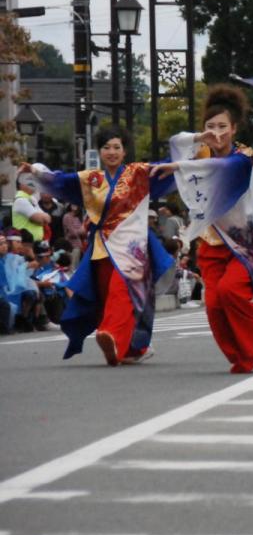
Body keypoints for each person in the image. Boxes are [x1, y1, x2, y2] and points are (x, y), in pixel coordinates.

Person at [153, 84, 253, 373]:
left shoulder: (243, 157)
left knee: (232, 291)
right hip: (211, 242)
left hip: (245, 243)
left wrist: (180, 166)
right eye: (210, 126)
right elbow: (176, 141)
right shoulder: (199, 153)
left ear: (233, 129)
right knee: (215, 304)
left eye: (222, 126)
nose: (216, 132)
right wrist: (196, 139)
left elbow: (222, 170)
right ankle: (243, 357)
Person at [23, 124, 174, 364]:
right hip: (102, 247)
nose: (112, 152)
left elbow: (168, 167)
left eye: (117, 147)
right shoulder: (91, 179)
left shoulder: (138, 173)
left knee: (122, 292)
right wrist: (36, 171)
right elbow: (62, 181)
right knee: (106, 296)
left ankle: (110, 334)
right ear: (99, 151)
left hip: (133, 248)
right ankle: (130, 348)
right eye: (106, 147)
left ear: (125, 151)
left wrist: (193, 151)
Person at [0, 232, 39, 333]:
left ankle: (23, 319)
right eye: (17, 242)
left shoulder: (14, 257)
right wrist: (27, 265)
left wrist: (29, 263)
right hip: (4, 288)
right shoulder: (7, 258)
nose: (4, 246)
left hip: (12, 286)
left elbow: (23, 274)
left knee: (31, 293)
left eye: (4, 243)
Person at [11, 174, 51, 243]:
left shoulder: (31, 199)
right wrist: (41, 219)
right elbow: (40, 219)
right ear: (22, 185)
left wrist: (40, 220)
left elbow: (48, 219)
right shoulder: (21, 200)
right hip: (25, 244)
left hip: (34, 243)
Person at [61, 202, 87, 267]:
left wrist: (82, 231)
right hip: (71, 246)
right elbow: (73, 233)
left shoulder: (79, 217)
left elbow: (84, 232)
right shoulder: (67, 216)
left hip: (80, 246)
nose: (74, 205)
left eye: (75, 203)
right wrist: (81, 231)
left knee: (76, 266)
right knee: (72, 267)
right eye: (72, 203)